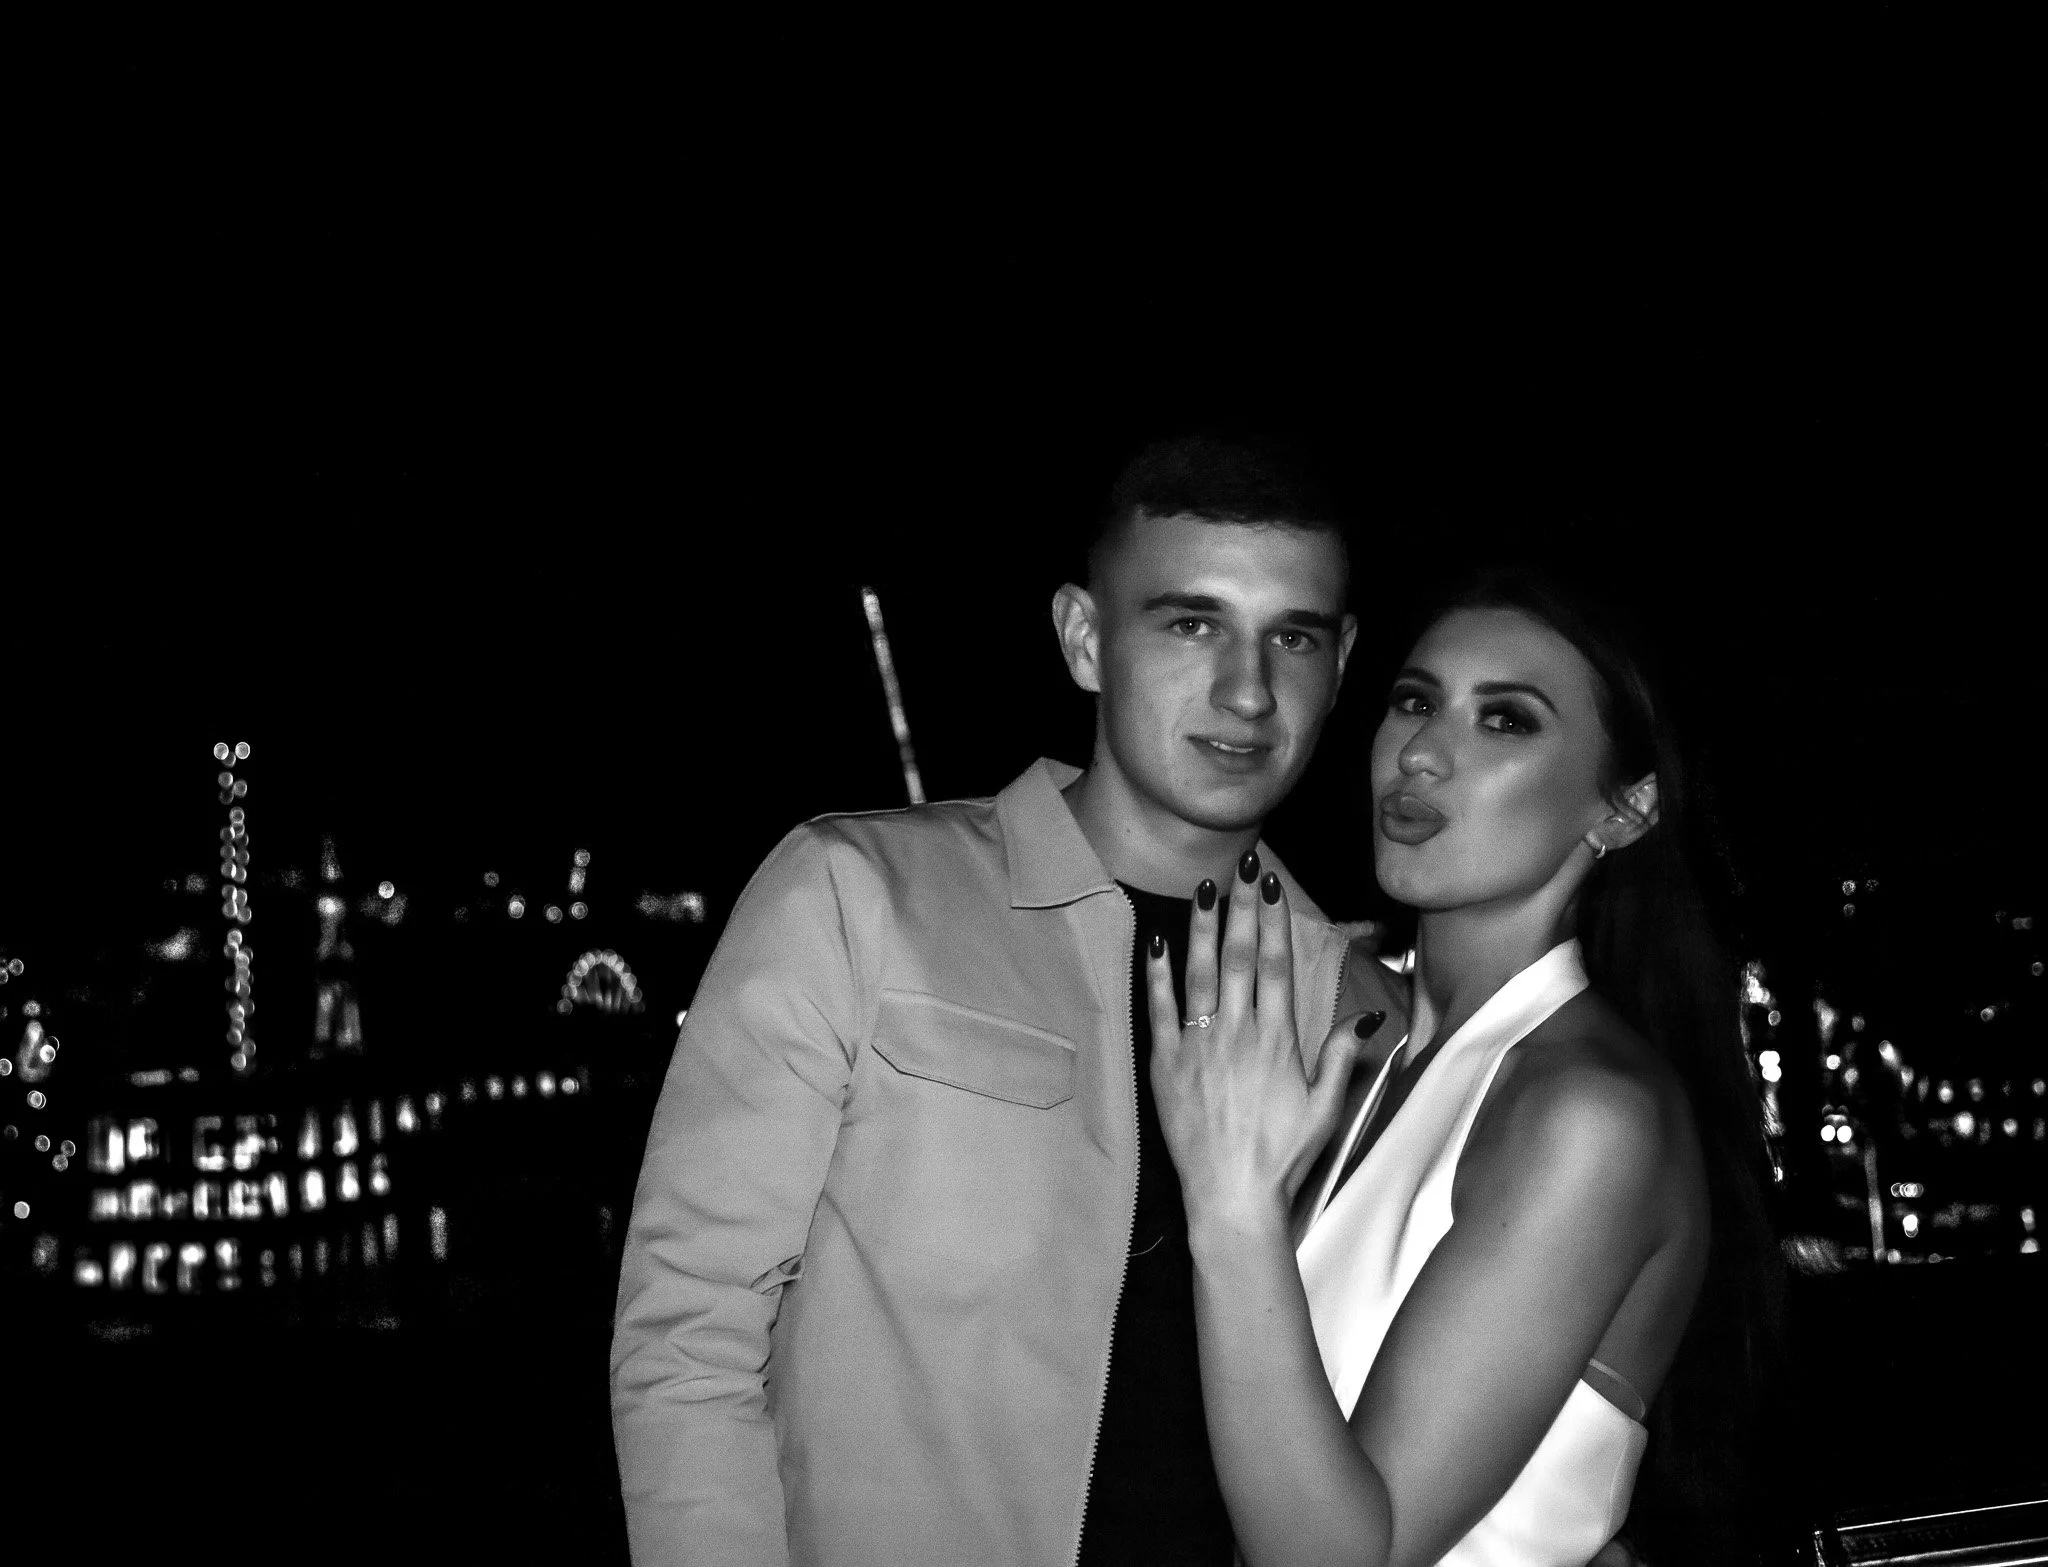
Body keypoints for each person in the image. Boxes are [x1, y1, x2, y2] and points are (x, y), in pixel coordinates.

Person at [608, 435, 1409, 1566]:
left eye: (1292, 636)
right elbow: (688, 1335)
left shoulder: (1365, 1019)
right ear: (1085, 639)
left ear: (1340, 663)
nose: (1246, 688)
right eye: (1189, 624)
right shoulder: (856, 895)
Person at [1144, 570, 1782, 1566]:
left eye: (1504, 721)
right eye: (1412, 700)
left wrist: (1229, 1209)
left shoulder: (1586, 1113)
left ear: (1622, 807)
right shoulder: (1379, 1061)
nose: (1423, 753)